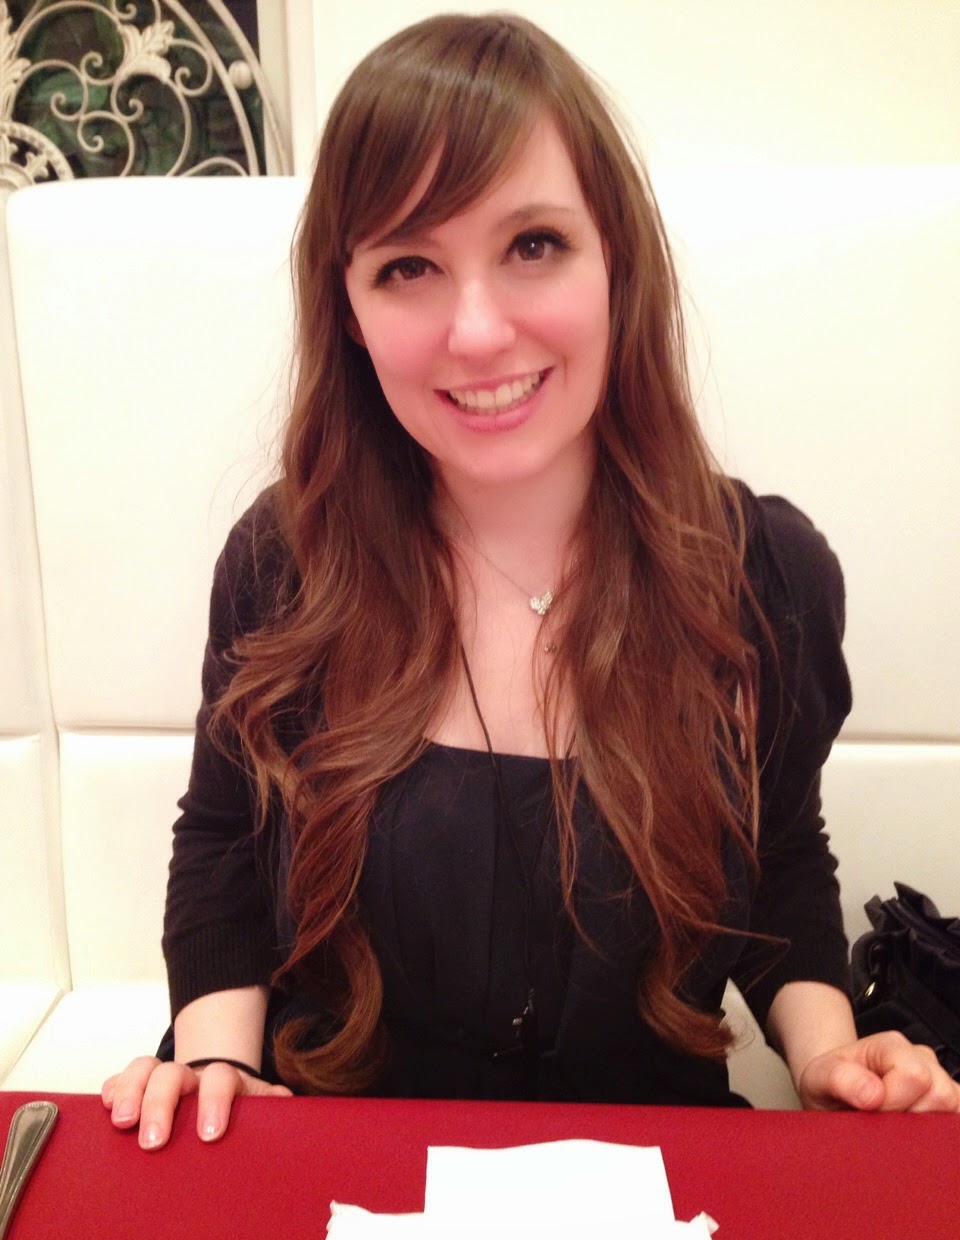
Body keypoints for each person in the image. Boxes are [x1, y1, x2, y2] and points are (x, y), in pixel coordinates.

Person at [103, 12, 960, 1149]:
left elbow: (780, 858)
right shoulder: (286, 562)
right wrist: (218, 1064)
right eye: (408, 266)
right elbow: (222, 842)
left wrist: (827, 1055)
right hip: (341, 1165)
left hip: (656, 1185)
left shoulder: (765, 576)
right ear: (349, 310)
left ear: (616, 260)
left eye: (534, 245)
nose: (476, 331)